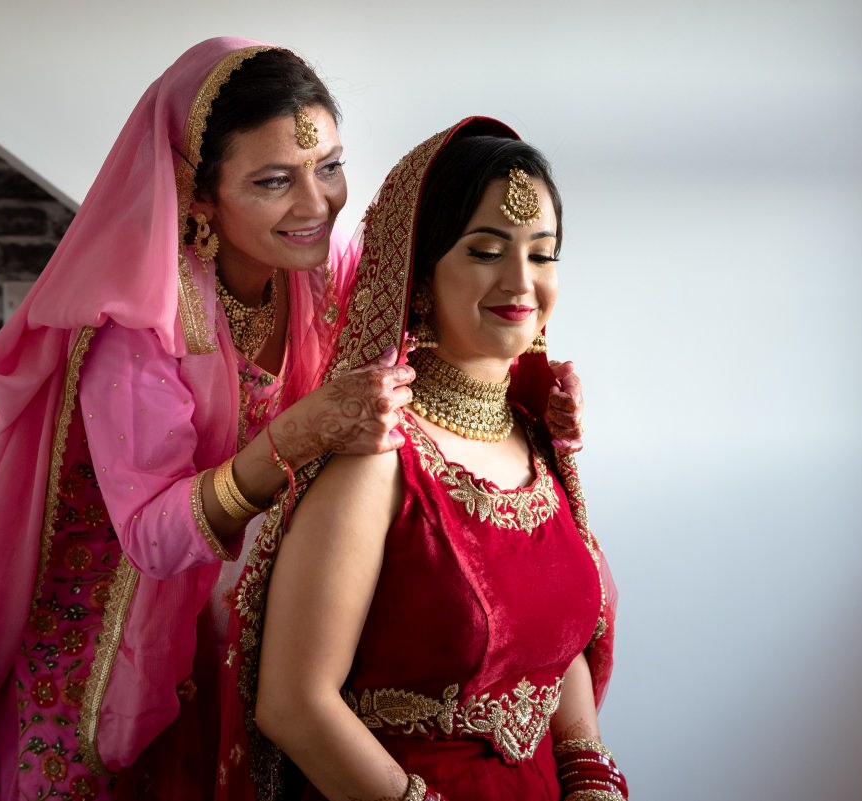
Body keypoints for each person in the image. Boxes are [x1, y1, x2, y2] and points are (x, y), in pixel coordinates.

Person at [0, 38, 420, 801]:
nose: (317, 203)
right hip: (107, 651)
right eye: (274, 180)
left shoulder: (318, 273)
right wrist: (298, 433)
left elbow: (420, 350)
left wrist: (532, 394)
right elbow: (154, 536)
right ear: (198, 192)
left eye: (329, 166)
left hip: (234, 624)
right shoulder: (139, 324)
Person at [217, 118, 624, 801]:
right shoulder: (377, 457)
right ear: (420, 271)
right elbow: (293, 704)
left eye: (542, 254)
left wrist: (588, 775)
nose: (521, 281)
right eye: (486, 250)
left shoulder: (536, 435)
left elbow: (557, 647)